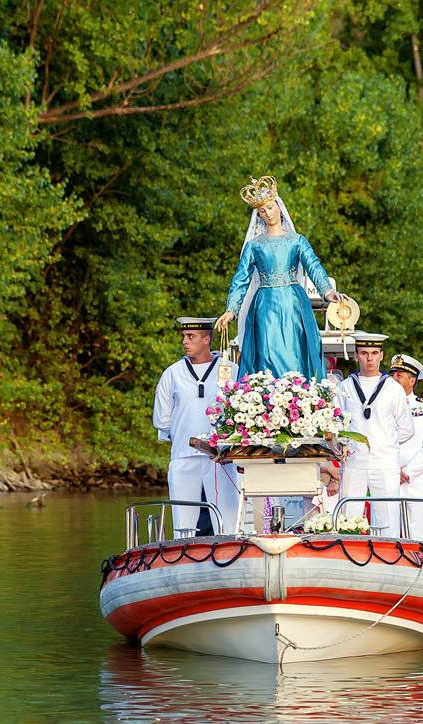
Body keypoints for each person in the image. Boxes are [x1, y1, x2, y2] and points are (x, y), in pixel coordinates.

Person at [215, 176, 345, 381]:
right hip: (265, 305)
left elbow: (313, 266)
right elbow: (241, 280)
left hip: (293, 303)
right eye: (262, 211)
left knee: (296, 349)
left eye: (270, 207)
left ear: (279, 205)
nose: (268, 213)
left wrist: (328, 292)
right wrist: (232, 310)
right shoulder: (255, 245)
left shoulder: (296, 241)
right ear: (258, 215)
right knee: (267, 351)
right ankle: (268, 397)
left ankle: (299, 397)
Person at [152, 317, 239, 536]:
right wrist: (182, 433)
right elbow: (161, 419)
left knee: (227, 522)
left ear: (207, 339)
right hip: (183, 456)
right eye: (183, 336)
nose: (185, 341)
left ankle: (230, 554)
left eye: (191, 337)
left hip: (221, 457)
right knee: (183, 524)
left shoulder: (231, 370)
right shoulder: (172, 373)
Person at [338, 334, 414, 537]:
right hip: (354, 460)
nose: (369, 359)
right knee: (349, 516)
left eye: (374, 353)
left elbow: (406, 428)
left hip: (385, 461)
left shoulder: (393, 388)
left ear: (381, 355)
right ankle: (348, 552)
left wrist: (385, 443)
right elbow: (336, 427)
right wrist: (345, 447)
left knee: (387, 517)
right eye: (364, 353)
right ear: (355, 356)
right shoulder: (344, 387)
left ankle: (389, 556)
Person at [389, 353, 423, 541]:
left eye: (399, 375)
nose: (393, 379)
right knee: (386, 531)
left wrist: (407, 472)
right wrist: (393, 470)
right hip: (387, 477)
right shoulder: (381, 405)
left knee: (415, 535)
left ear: (412, 380)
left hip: (414, 482)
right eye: (392, 374)